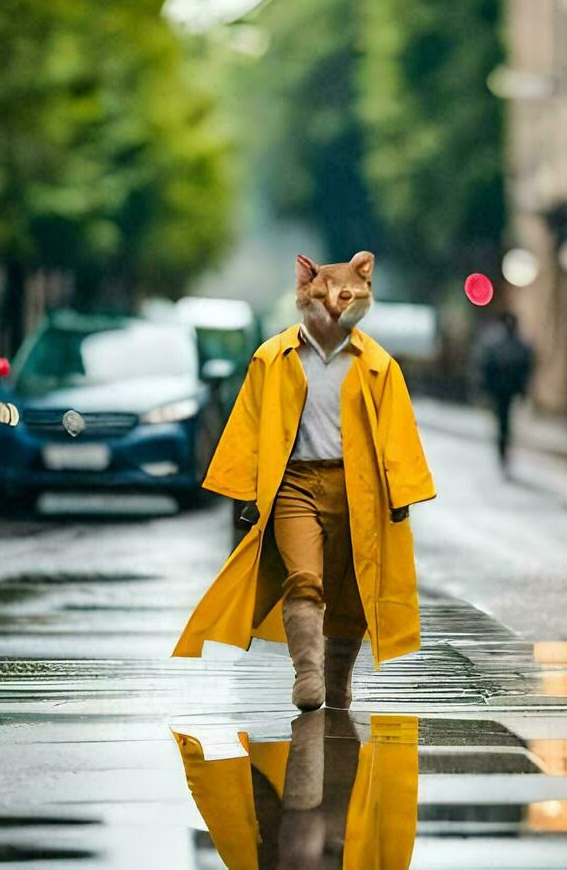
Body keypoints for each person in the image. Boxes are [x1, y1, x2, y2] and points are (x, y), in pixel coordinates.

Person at [173, 251, 436, 714]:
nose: (335, 307)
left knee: (352, 592)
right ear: (304, 295)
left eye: (347, 296)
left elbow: (397, 432)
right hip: (294, 484)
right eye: (324, 295)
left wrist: (403, 493)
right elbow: (249, 424)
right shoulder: (272, 358)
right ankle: (308, 673)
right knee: (304, 579)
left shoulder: (377, 365)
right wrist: (245, 493)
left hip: (359, 488)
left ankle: (338, 678)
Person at [479, 312, 532, 473]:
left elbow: (525, 368)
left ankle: (503, 451)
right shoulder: (511, 346)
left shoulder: (501, 345)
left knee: (504, 423)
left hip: (504, 391)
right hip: (502, 391)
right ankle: (503, 451)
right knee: (504, 423)